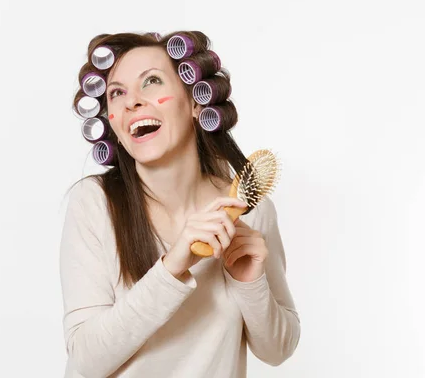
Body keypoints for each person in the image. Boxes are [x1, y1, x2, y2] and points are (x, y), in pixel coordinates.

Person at [59, 30, 300, 378]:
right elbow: (84, 360)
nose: (131, 102)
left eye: (152, 82)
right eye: (116, 93)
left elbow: (278, 349)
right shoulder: (95, 204)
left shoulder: (249, 210)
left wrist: (249, 282)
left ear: (196, 102)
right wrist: (173, 266)